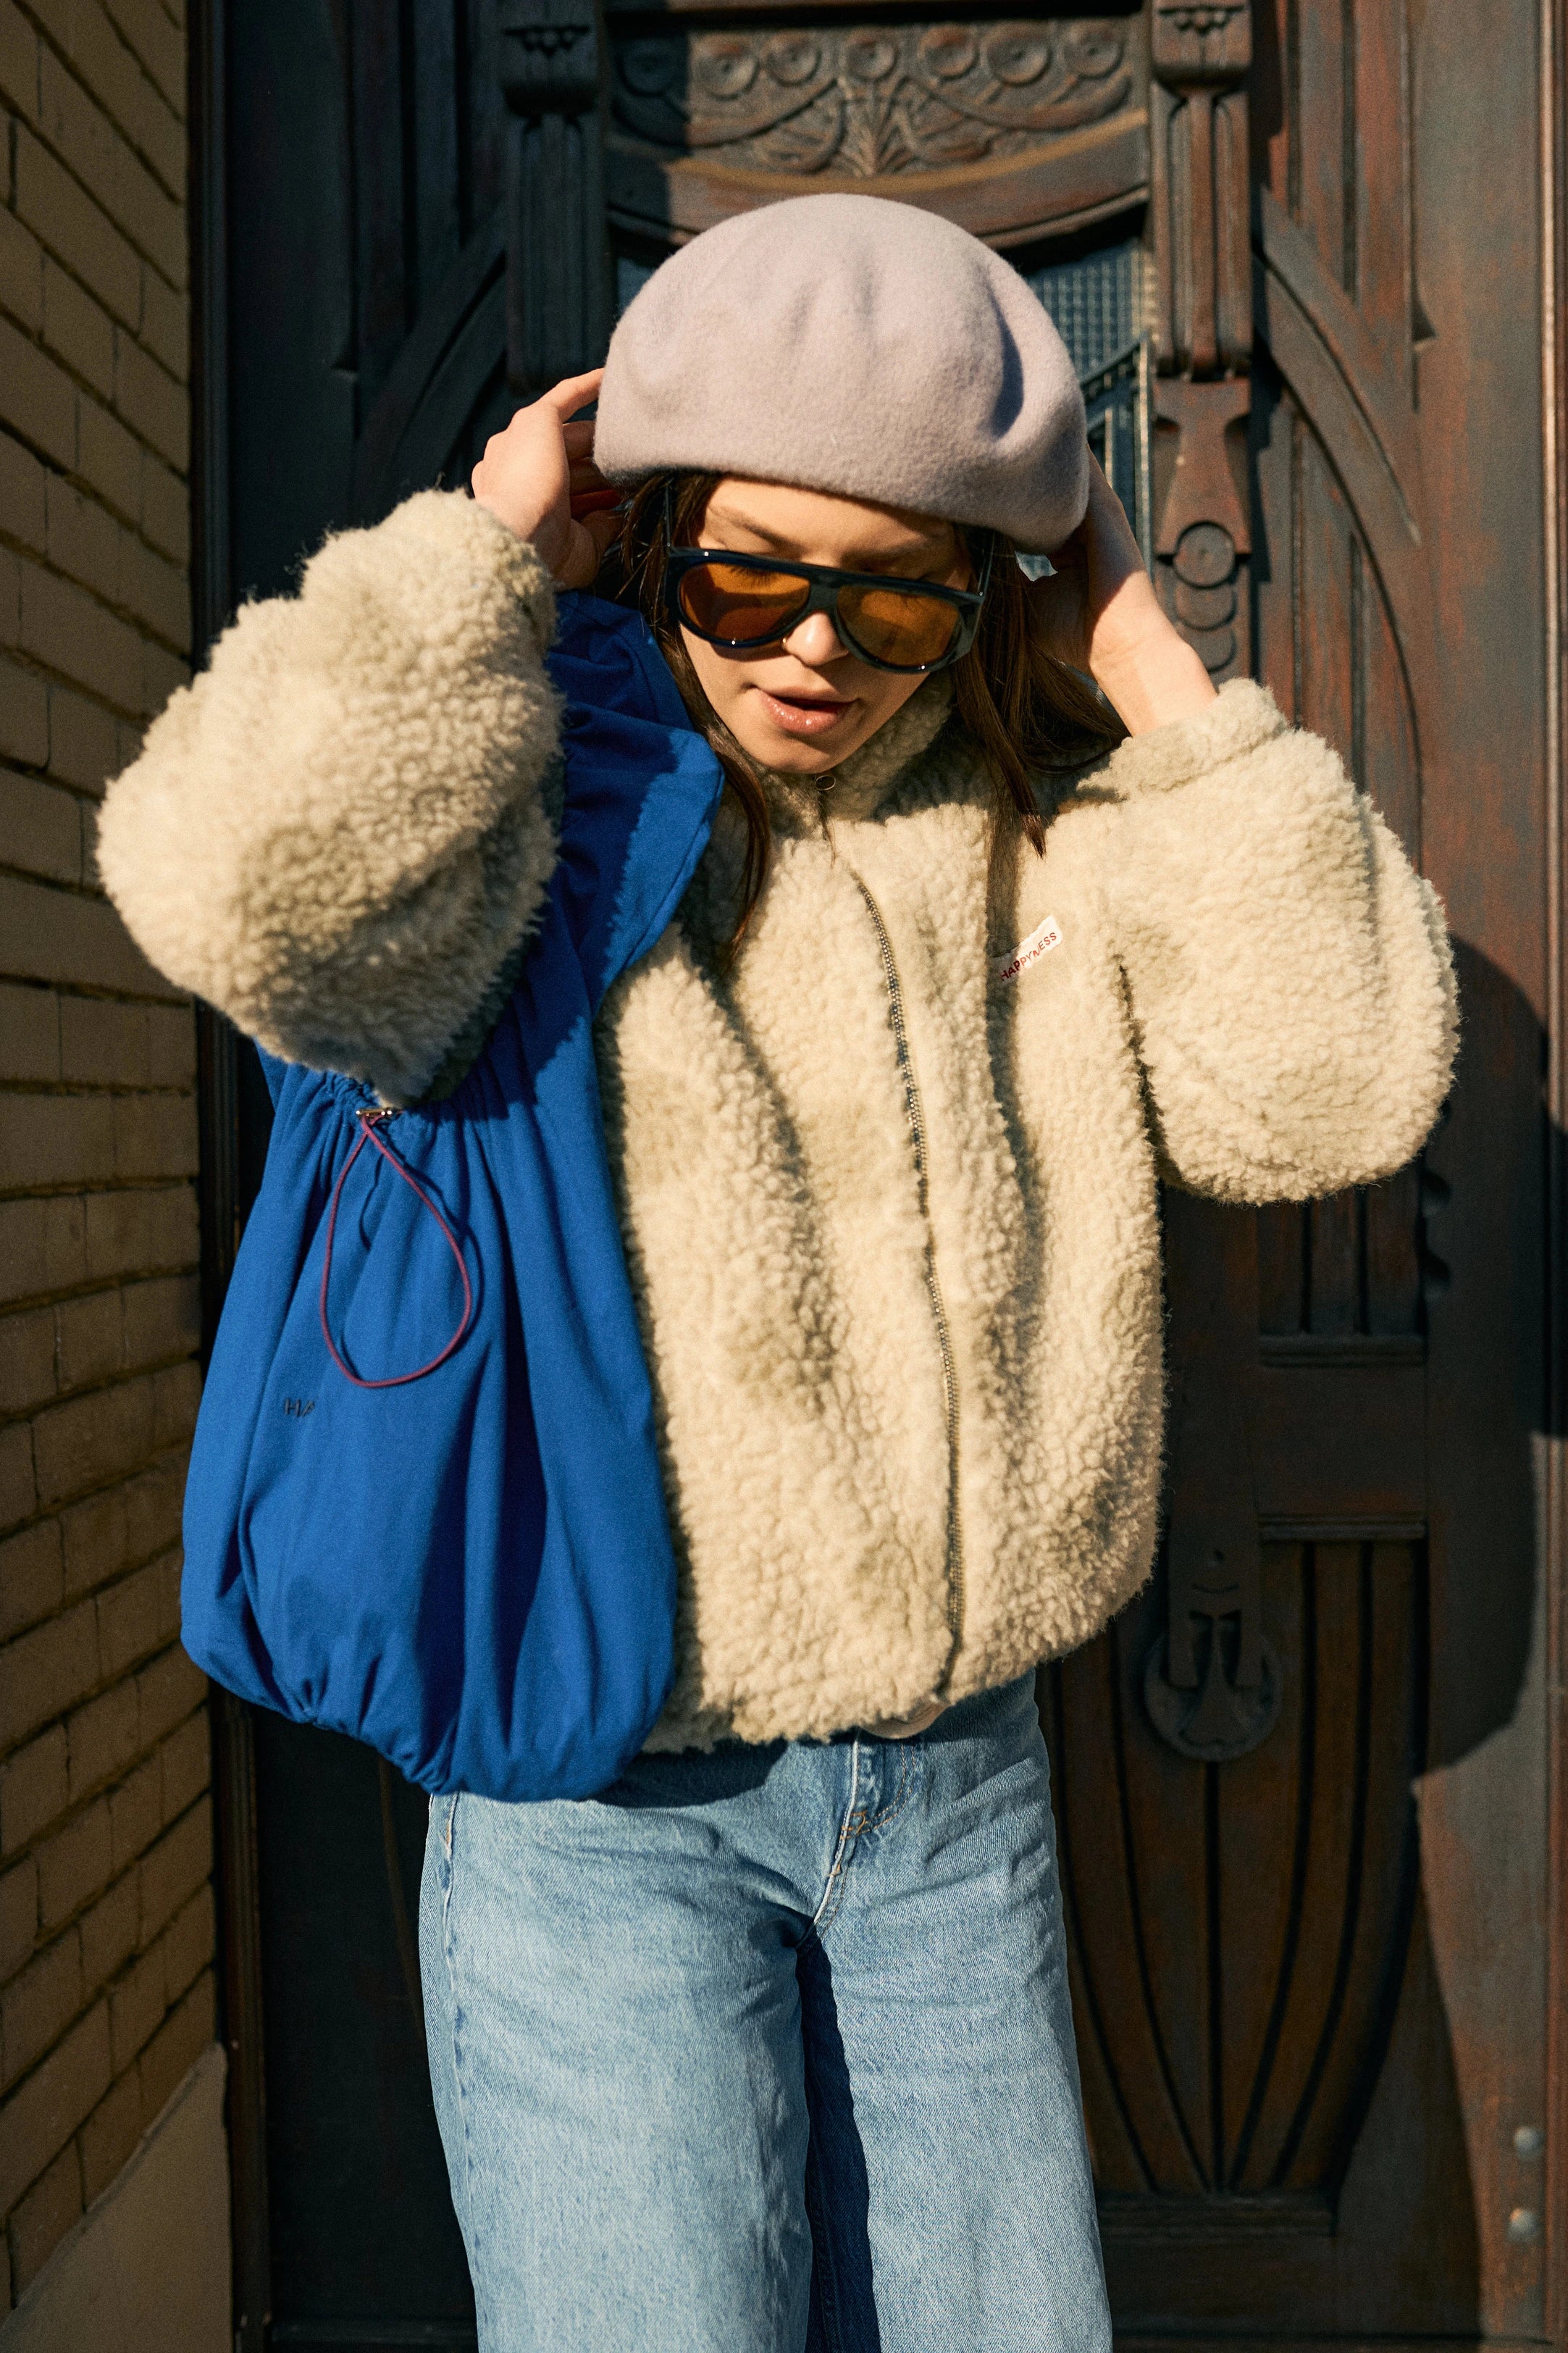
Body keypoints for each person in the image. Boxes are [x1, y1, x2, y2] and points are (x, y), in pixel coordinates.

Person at [98, 196, 1456, 2352]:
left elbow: (1335, 1096)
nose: (817, 647)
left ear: (979, 594)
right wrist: (479, 555)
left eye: (896, 593)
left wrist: (1145, 664)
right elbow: (233, 892)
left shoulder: (1046, 834)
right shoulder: (524, 810)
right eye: (751, 576)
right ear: (655, 542)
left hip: (958, 1792)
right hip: (600, 1804)